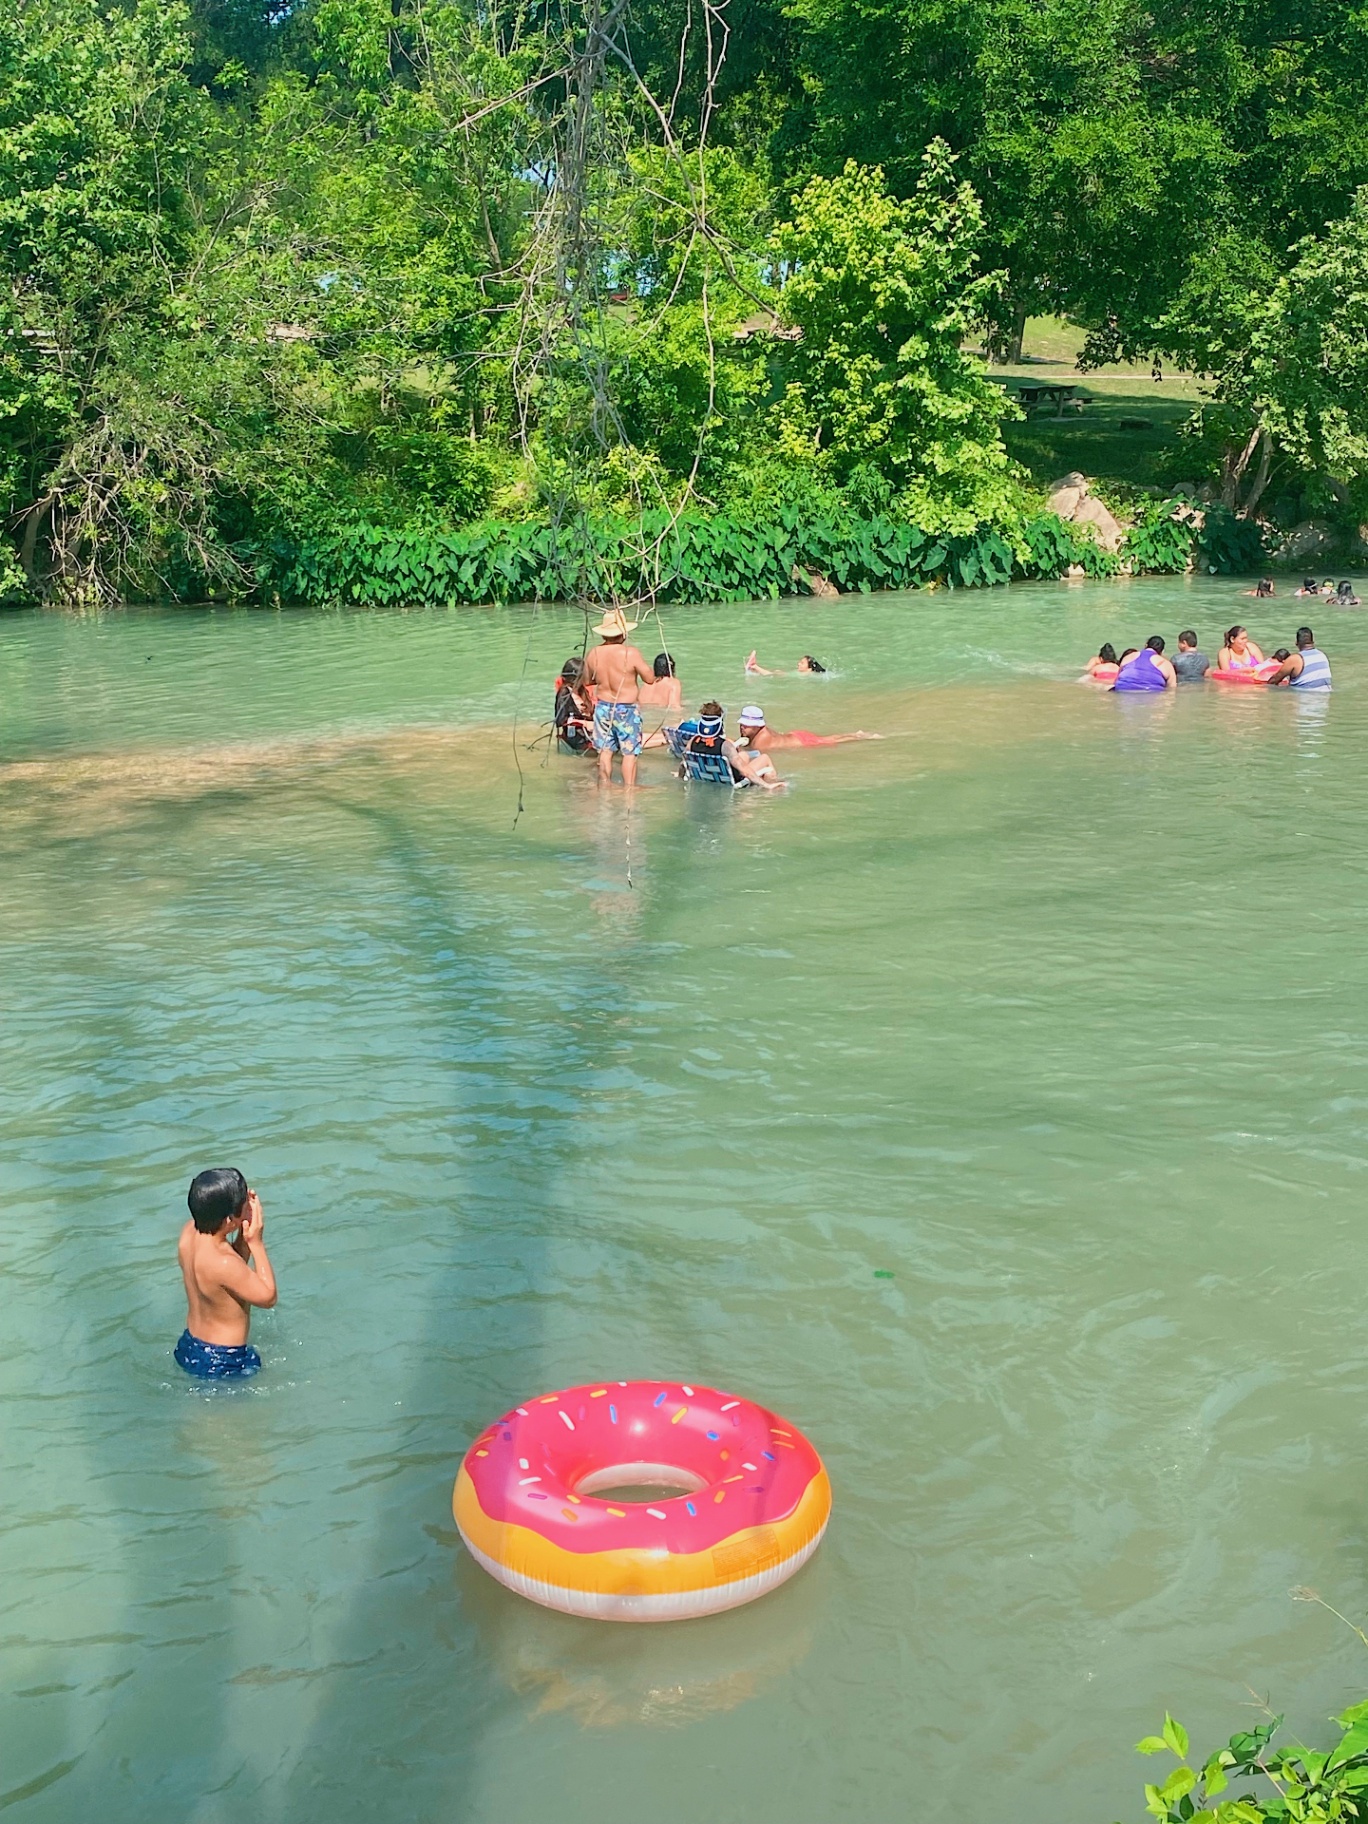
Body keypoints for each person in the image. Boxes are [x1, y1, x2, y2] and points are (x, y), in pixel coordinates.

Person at [175, 1169, 276, 1379]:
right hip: (224, 1360)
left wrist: (242, 1231)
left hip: (190, 1346)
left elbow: (229, 1277)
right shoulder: (224, 1263)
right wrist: (256, 1242)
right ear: (229, 1220)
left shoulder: (189, 1233)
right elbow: (268, 1297)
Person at [584, 608, 654, 785]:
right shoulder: (630, 653)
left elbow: (587, 680)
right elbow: (650, 679)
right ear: (623, 633)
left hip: (603, 707)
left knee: (605, 751)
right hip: (626, 709)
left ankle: (605, 787)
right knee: (629, 753)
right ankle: (629, 792)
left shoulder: (594, 654)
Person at [683, 703, 782, 788]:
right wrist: (767, 786)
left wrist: (680, 775)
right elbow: (745, 771)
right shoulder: (725, 746)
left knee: (744, 755)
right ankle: (772, 785)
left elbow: (684, 762)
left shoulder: (693, 741)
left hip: (708, 777)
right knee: (765, 758)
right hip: (733, 782)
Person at [735, 704, 881, 750]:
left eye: (746, 725)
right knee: (828, 739)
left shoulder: (762, 740)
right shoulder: (756, 731)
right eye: (742, 724)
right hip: (795, 736)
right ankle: (856, 734)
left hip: (801, 741)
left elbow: (749, 753)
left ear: (756, 726)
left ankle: (860, 737)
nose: (742, 727)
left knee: (831, 742)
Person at [1264, 626, 1332, 689]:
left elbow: (1274, 681)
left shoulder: (1295, 659)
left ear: (1296, 643)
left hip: (1306, 698)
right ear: (1313, 642)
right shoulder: (1322, 656)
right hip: (1324, 699)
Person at [553, 656, 594, 754]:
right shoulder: (564, 693)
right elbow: (560, 720)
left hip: (590, 729)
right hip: (577, 735)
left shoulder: (581, 690)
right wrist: (584, 723)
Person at [1112, 635, 1176, 691]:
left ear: (1146, 645)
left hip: (1122, 690)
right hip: (1151, 695)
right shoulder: (1166, 664)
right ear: (1162, 651)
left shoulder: (1129, 657)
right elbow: (1172, 689)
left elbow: (1117, 680)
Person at [744, 652, 827, 675]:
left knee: (773, 674)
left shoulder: (806, 674)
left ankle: (754, 666)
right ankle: (753, 668)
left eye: (802, 663)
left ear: (809, 668)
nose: (798, 664)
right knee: (776, 672)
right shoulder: (808, 674)